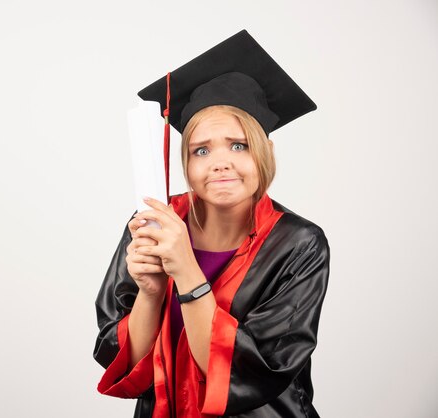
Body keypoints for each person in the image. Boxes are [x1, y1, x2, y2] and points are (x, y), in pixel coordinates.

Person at [93, 30, 329, 418]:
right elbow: (121, 360)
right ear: (185, 162)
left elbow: (250, 375)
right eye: (201, 150)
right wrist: (151, 294)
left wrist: (186, 271)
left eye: (239, 145)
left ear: (264, 151)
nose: (220, 162)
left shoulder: (299, 244)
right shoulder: (154, 223)